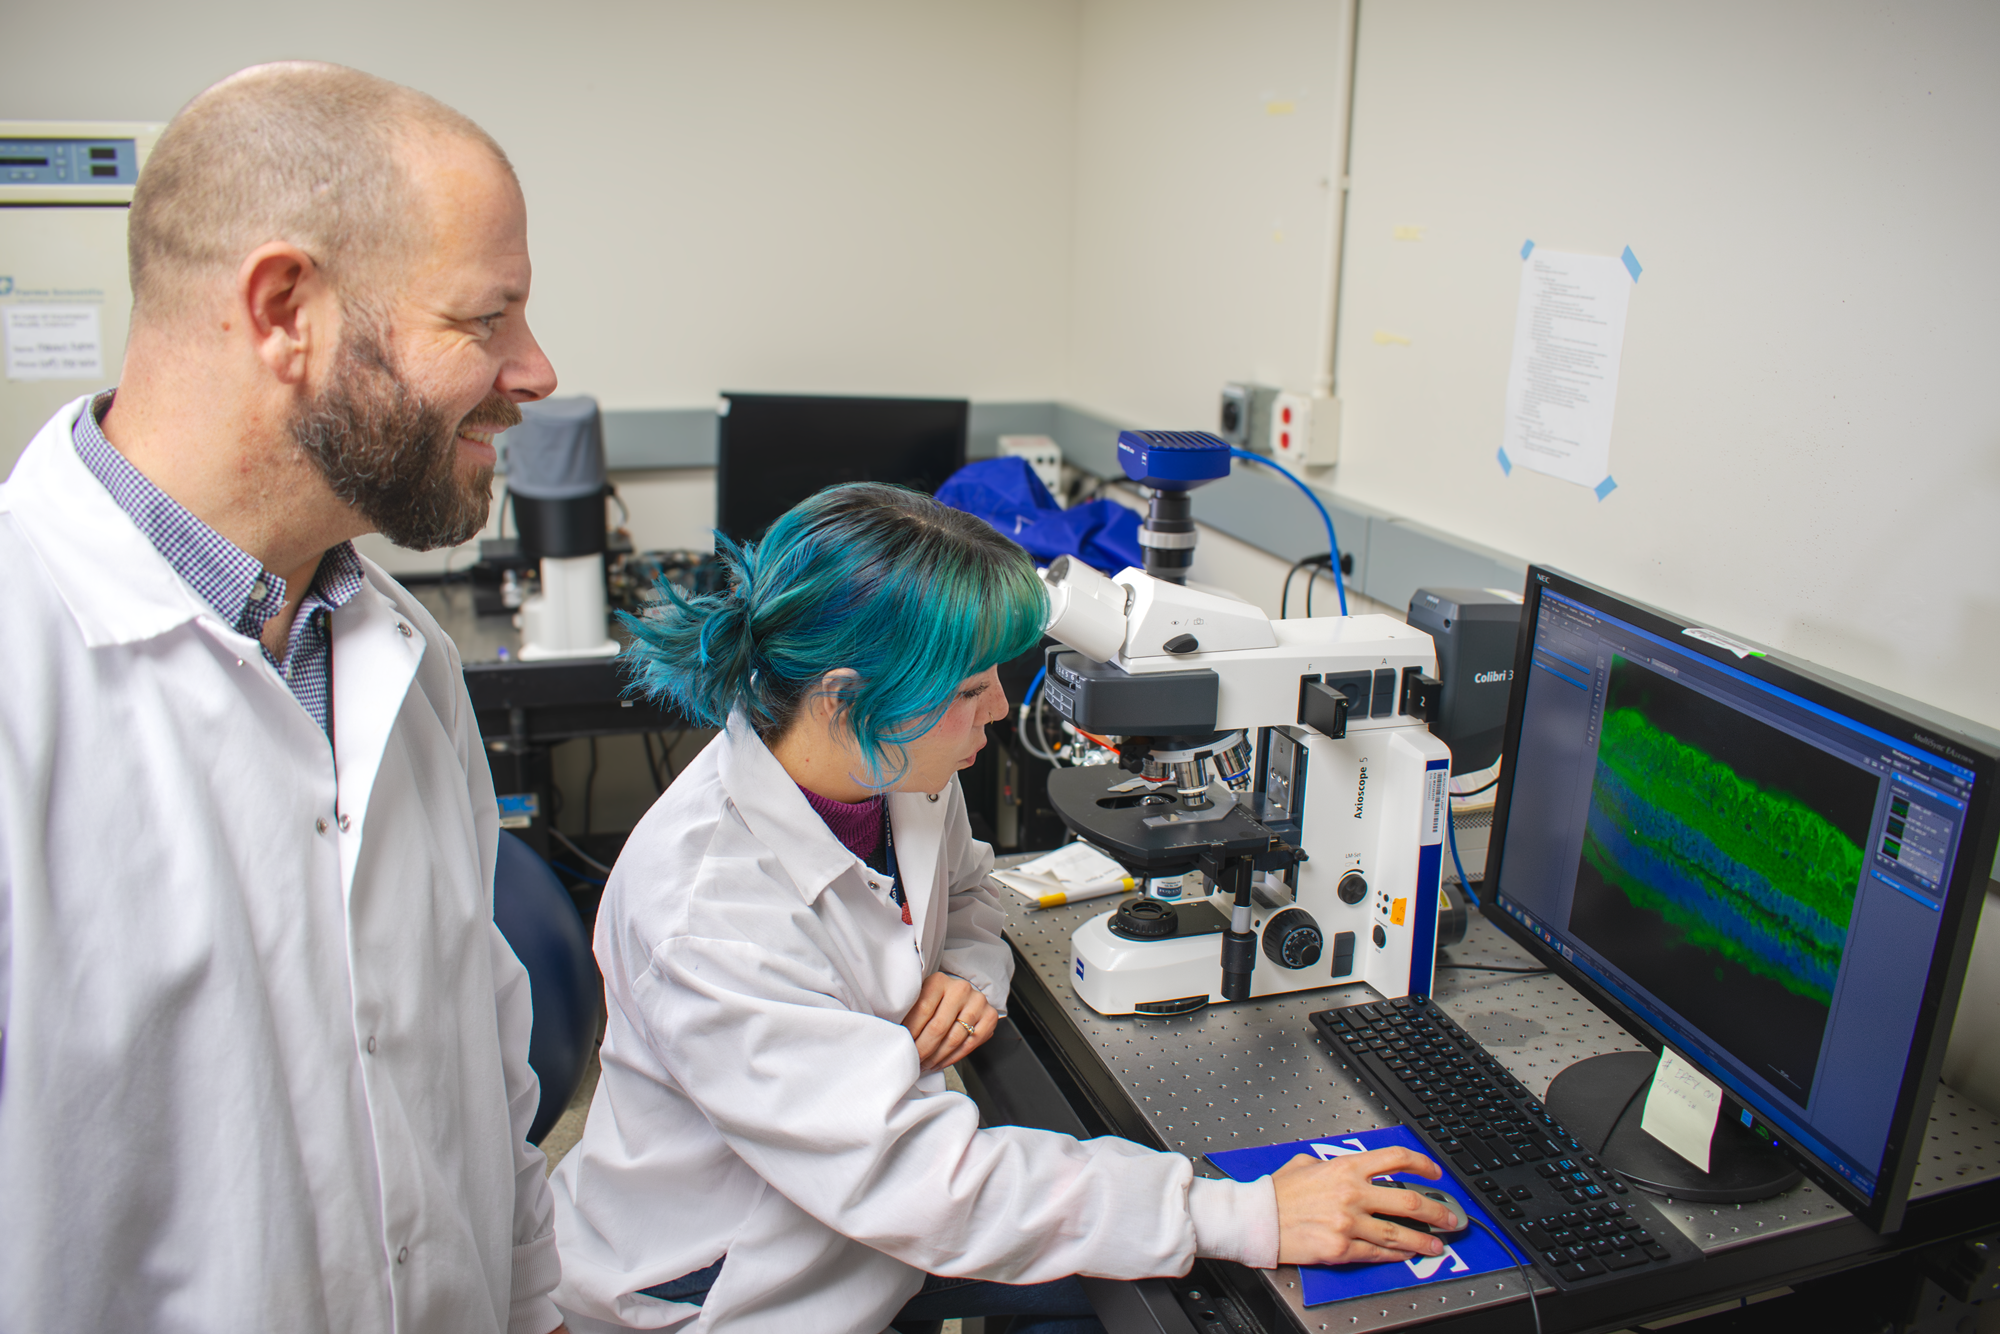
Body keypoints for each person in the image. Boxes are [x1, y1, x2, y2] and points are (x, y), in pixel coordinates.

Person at [547, 484, 1455, 1334]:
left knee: (1131, 1277)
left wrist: (968, 972)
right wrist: (1248, 1212)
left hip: (856, 1199)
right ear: (847, 698)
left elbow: (973, 891)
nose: (1000, 708)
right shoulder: (706, 914)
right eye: (971, 689)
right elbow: (922, 1183)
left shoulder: (890, 766)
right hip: (730, 1282)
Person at [0, 64, 570, 1333]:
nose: (533, 371)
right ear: (283, 310)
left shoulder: (395, 654)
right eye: (486, 320)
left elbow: (483, 1076)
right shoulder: (21, 672)